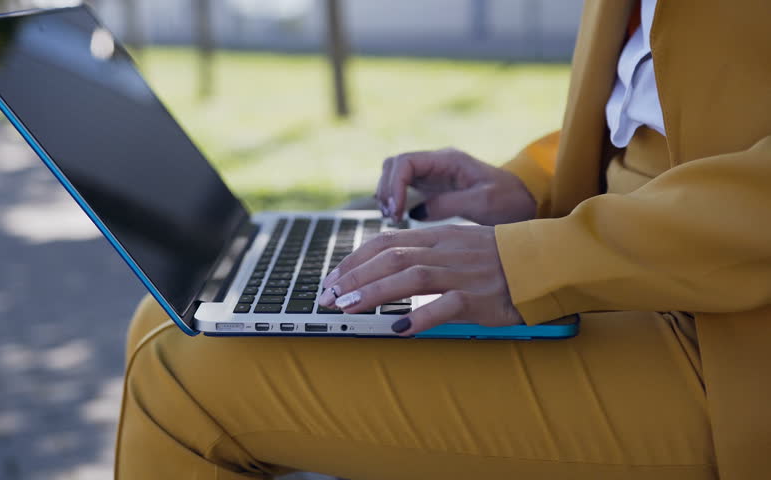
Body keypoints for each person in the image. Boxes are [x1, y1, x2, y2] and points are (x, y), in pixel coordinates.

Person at [115, 1, 771, 479]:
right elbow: (651, 112)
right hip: (633, 265)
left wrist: (540, 259)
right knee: (180, 309)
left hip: (735, 345)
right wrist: (527, 186)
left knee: (179, 372)